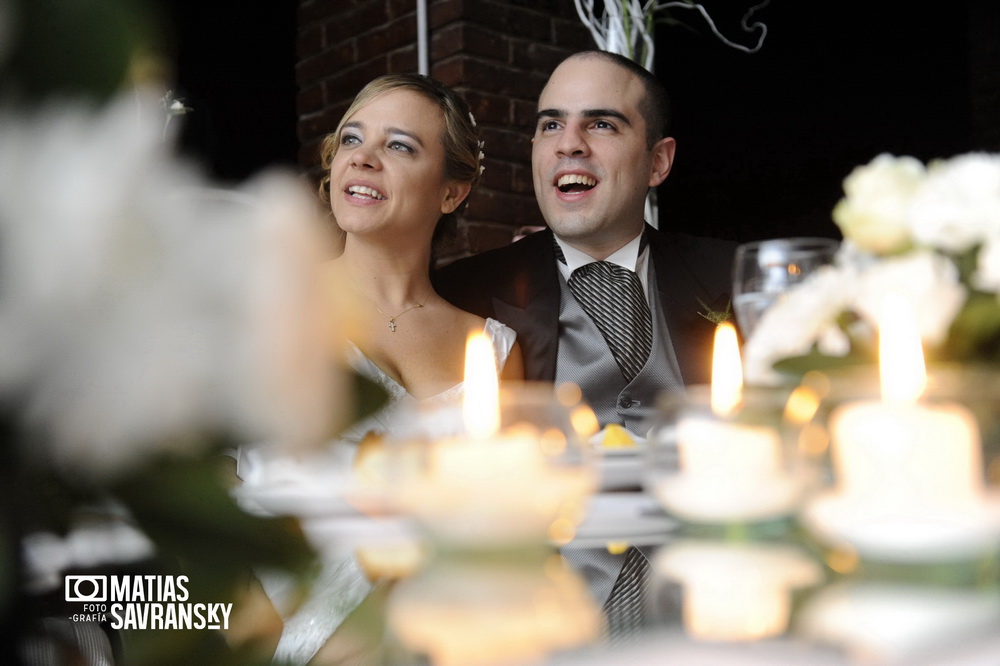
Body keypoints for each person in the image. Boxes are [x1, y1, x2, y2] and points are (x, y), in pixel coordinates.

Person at [242, 73, 523, 665]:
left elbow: (502, 525)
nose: (363, 159)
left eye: (399, 146)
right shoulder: (266, 309)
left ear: (452, 192)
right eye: (351, 140)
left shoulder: (492, 347)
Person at [436, 50, 735, 436]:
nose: (569, 145)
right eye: (551, 126)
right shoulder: (461, 294)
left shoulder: (733, 276)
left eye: (601, 125)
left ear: (658, 161)